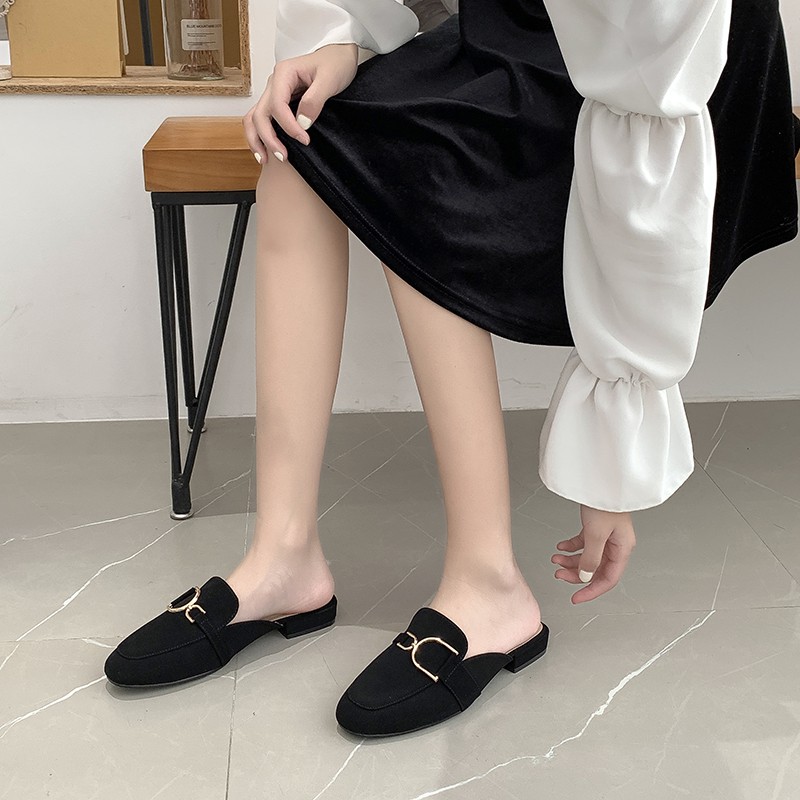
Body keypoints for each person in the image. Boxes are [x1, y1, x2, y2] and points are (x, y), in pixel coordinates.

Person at [104, 0, 800, 737]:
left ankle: (488, 583)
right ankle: (283, 555)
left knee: (425, 172)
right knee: (296, 148)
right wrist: (342, 38)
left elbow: (653, 104)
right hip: (512, 31)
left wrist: (614, 449)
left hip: (668, 64)